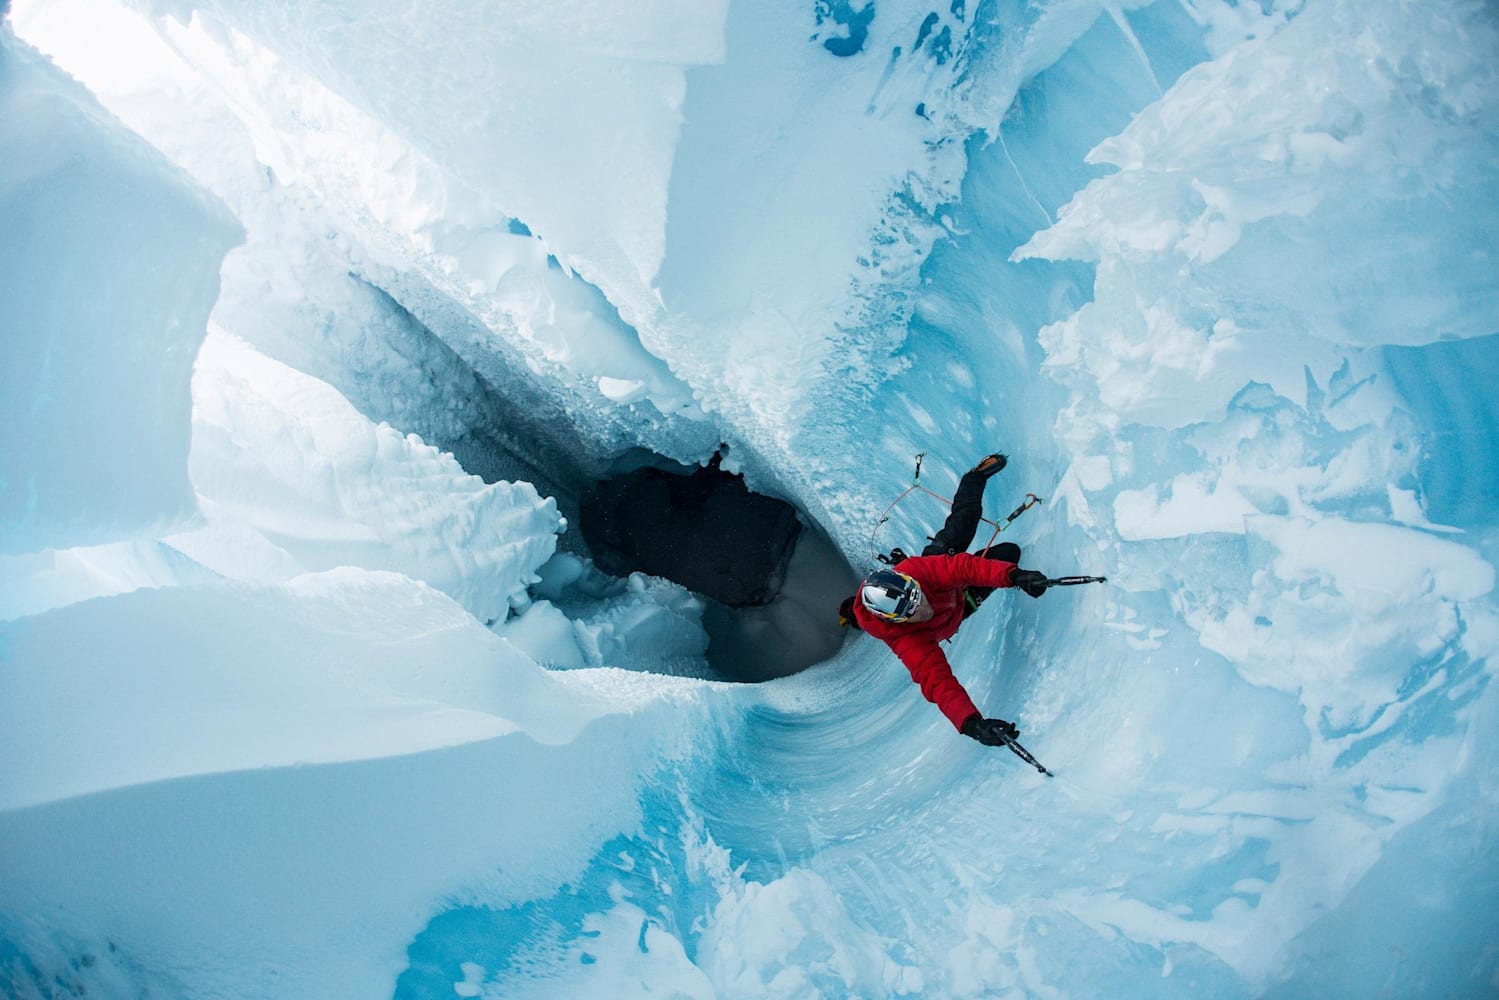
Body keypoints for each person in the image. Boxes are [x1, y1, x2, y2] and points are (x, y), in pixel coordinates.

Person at [837, 453, 1051, 748]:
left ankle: (974, 478)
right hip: (959, 607)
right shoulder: (907, 640)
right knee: (1008, 552)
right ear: (897, 620)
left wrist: (1014, 577)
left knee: (964, 524)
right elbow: (937, 682)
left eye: (917, 597)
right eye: (912, 612)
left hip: (941, 569)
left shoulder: (916, 571)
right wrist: (972, 724)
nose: (923, 609)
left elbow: (964, 568)